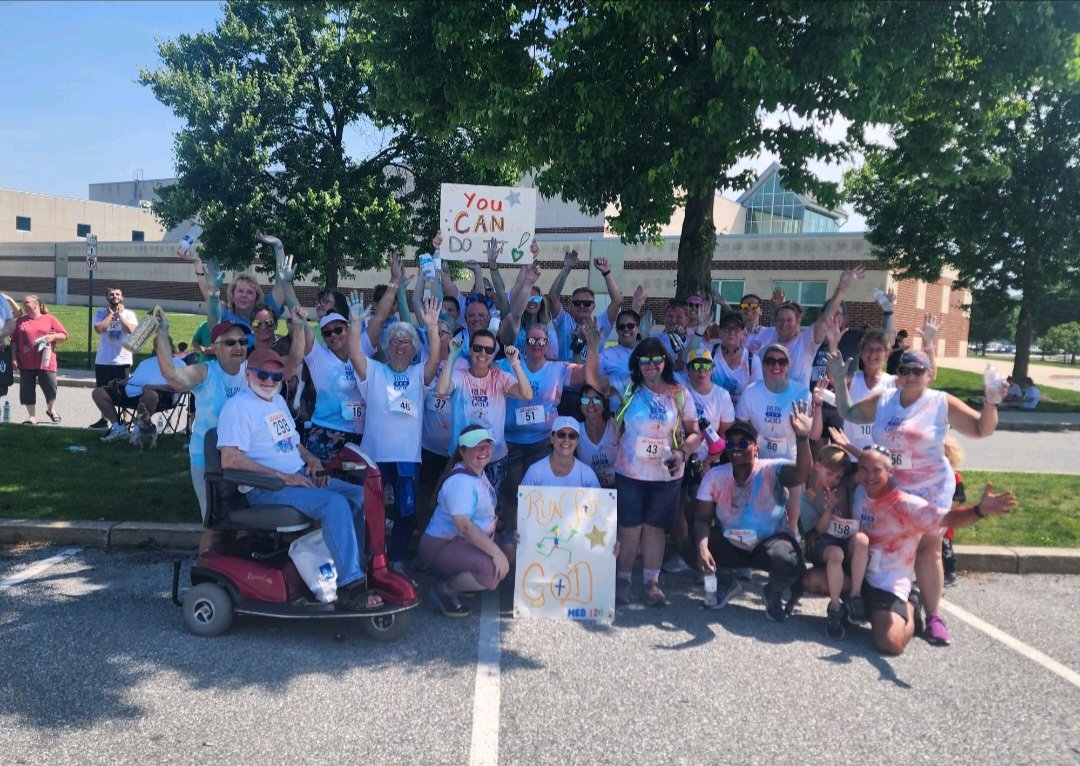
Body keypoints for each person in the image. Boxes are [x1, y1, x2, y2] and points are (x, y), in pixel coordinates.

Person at [827, 347, 1004, 646]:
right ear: (897, 375)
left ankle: (933, 616)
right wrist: (840, 381)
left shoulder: (940, 402)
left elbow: (981, 429)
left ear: (929, 374)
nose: (910, 375)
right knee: (889, 545)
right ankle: (895, 597)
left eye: (918, 370)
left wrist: (991, 403)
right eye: (905, 370)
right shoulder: (885, 400)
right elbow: (850, 413)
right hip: (891, 486)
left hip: (930, 487)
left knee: (927, 549)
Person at [216, 347, 382, 613]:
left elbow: (294, 443)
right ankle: (350, 586)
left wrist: (312, 460)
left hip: (298, 476)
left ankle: (359, 570)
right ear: (247, 374)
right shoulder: (238, 408)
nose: (269, 381)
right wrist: (283, 477)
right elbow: (230, 459)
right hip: (268, 487)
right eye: (262, 375)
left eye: (275, 376)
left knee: (362, 496)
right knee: (334, 504)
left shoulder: (277, 402)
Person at [852, 445, 1016, 654]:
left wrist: (979, 510)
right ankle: (862, 606)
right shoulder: (859, 493)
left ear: (891, 472)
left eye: (877, 470)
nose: (869, 476)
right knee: (816, 580)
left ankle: (912, 605)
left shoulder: (907, 505)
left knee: (890, 643)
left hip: (887, 585)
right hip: (857, 577)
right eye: (864, 470)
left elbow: (948, 519)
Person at [584, 329, 701, 607]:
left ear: (665, 361)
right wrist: (593, 346)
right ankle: (623, 579)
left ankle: (651, 582)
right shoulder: (627, 385)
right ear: (637, 362)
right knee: (629, 527)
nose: (651, 364)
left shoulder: (679, 392)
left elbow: (694, 432)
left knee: (655, 528)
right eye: (644, 359)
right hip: (630, 471)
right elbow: (592, 380)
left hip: (667, 472)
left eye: (656, 359)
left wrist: (683, 452)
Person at [346, 292, 442, 573]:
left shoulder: (418, 374)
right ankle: (369, 558)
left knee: (405, 512)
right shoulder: (374, 370)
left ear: (414, 349)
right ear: (387, 346)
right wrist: (355, 325)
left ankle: (397, 559)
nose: (401, 346)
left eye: (406, 342)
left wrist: (432, 328)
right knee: (370, 511)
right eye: (395, 341)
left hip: (407, 457)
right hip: (374, 456)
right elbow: (355, 354)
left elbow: (436, 359)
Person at [690, 411, 813, 621]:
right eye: (731, 443)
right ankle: (726, 581)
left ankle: (772, 591)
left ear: (756, 448)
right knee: (692, 545)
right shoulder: (714, 477)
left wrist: (802, 437)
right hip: (731, 543)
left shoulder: (772, 469)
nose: (736, 448)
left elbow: (802, 474)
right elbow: (702, 518)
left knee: (789, 561)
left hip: (767, 545)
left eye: (743, 443)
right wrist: (702, 549)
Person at [420, 425, 510, 618]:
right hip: (442, 545)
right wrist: (497, 554)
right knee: (492, 572)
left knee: (511, 547)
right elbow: (465, 526)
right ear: (462, 451)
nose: (483, 451)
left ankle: (465, 578)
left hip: (462, 541)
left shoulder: (476, 472)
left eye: (487, 445)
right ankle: (446, 589)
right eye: (476, 446)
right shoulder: (460, 482)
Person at [435, 329, 533, 505]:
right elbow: (441, 390)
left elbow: (527, 394)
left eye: (489, 350)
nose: (482, 353)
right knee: (460, 505)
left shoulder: (500, 377)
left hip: (494, 458)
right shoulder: (460, 376)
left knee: (490, 508)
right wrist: (452, 357)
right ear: (470, 349)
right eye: (478, 348)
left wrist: (515, 363)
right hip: (462, 456)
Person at [797, 444, 869, 639]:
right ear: (818, 466)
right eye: (829, 474)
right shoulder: (808, 496)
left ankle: (855, 596)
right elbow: (818, 530)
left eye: (838, 476)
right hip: (822, 544)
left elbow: (867, 468)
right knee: (836, 553)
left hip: (845, 540)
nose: (833, 479)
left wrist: (848, 447)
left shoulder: (843, 486)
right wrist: (829, 508)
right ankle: (835, 606)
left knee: (862, 540)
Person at [94, 343, 187, 442]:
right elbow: (135, 377)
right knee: (98, 392)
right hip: (133, 392)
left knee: (150, 394)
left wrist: (153, 387)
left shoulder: (179, 364)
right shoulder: (146, 362)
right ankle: (119, 429)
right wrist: (121, 382)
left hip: (161, 395)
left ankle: (138, 430)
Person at [12, 295, 68, 425]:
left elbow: (64, 335)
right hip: (25, 361)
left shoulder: (49, 319)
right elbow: (14, 341)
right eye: (23, 303)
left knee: (50, 387)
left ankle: (51, 409)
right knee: (27, 390)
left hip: (45, 360)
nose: (24, 305)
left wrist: (52, 337)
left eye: (27, 302)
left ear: (36, 304)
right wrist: (13, 358)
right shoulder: (20, 321)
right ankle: (32, 416)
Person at [89, 287, 138, 428]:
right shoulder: (100, 313)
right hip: (103, 360)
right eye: (111, 294)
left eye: (117, 294)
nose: (114, 296)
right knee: (103, 390)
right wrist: (111, 315)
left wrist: (120, 316)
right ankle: (104, 419)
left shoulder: (129, 314)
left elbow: (131, 330)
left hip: (122, 360)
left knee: (124, 391)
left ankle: (126, 420)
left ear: (122, 297)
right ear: (106, 296)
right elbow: (99, 329)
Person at [522, 416, 601, 488]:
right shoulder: (534, 471)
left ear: (577, 441)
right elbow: (522, 499)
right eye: (561, 434)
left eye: (572, 436)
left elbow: (598, 499)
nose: (566, 440)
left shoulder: (587, 474)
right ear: (552, 438)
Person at [575, 384, 617, 488]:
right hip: (589, 490)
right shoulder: (574, 431)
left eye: (596, 400)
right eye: (585, 400)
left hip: (619, 487)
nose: (591, 404)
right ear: (580, 407)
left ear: (604, 405)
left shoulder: (616, 426)